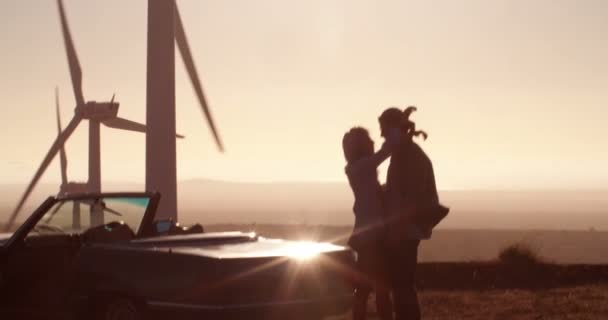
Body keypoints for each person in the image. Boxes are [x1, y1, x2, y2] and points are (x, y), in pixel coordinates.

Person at [379, 107, 449, 320]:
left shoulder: (409, 157)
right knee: (402, 287)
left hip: (404, 232)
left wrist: (396, 233)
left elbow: (410, 202)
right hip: (404, 231)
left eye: (384, 129)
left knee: (403, 287)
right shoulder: (406, 154)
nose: (381, 135)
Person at [342, 127, 399, 320]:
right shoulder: (361, 168)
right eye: (368, 141)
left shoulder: (358, 170)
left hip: (366, 236)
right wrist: (398, 129)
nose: (373, 142)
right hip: (372, 238)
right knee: (380, 287)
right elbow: (386, 151)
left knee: (365, 288)